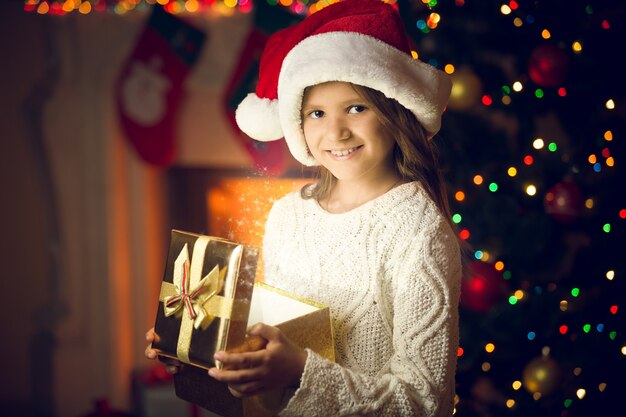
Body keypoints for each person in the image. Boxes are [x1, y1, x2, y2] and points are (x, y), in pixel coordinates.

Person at [146, 0, 462, 416]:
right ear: (298, 124)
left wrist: (300, 370)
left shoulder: (418, 233)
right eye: (316, 113)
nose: (335, 131)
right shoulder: (288, 215)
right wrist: (200, 355)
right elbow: (268, 362)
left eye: (356, 107)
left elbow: (424, 402)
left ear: (391, 110)